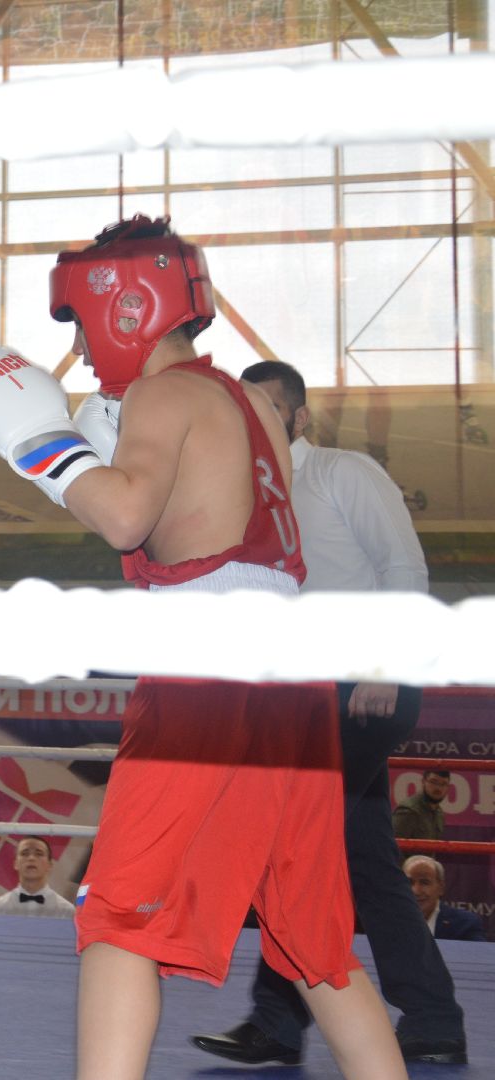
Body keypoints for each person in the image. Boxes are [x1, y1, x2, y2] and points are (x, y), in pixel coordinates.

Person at [0, 214, 405, 1080]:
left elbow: (124, 513)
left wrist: (41, 442)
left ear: (124, 305)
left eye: (77, 320)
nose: (77, 343)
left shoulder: (164, 395)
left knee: (117, 921)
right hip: (291, 676)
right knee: (316, 945)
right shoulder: (256, 403)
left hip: (206, 665)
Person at [191, 360, 467, 1066]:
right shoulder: (249, 498)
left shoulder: (344, 473)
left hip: (368, 687)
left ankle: (278, 1023)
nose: (254, 419)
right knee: (363, 860)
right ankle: (432, 1016)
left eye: (268, 407)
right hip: (300, 700)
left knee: (295, 843)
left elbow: (405, 569)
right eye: (242, 408)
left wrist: (383, 665)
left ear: (300, 417)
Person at [0, 837, 75, 918]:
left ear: (49, 865)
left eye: (39, 854)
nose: (31, 858)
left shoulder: (67, 911)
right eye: (25, 853)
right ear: (15, 863)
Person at [405, 856, 487, 942]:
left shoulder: (465, 924)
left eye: (425, 882)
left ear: (441, 888)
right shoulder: (391, 921)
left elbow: (478, 954)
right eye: (409, 882)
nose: (416, 891)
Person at [394, 768, 450, 841]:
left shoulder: (439, 813)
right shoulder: (409, 811)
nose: (438, 788)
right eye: (433, 782)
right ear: (423, 782)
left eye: (443, 784)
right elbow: (392, 847)